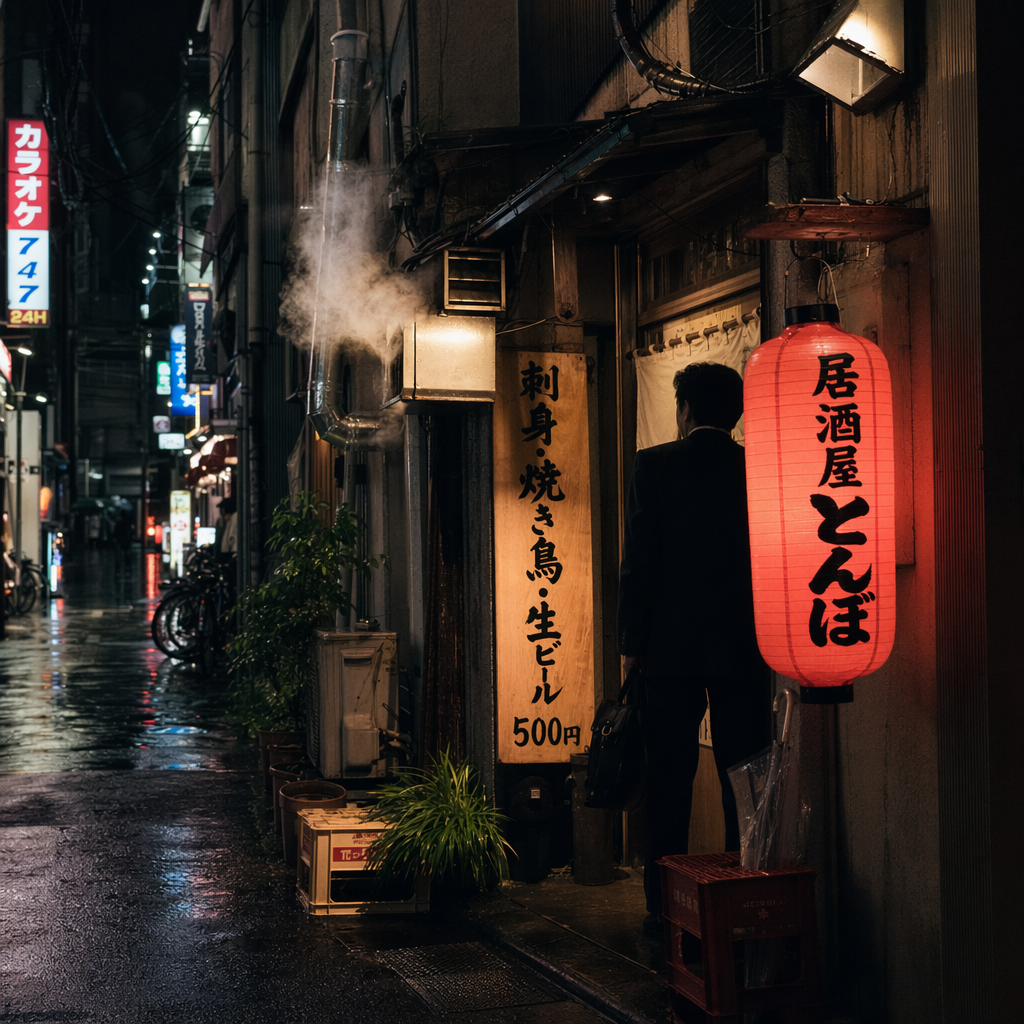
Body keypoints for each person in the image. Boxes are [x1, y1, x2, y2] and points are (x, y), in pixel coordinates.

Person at [617, 360, 771, 934]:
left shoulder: (654, 466)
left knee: (670, 780)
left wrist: (631, 645)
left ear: (683, 409)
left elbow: (640, 565)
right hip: (744, 647)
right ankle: (740, 891)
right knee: (743, 776)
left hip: (670, 650)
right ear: (734, 412)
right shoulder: (755, 467)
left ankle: (665, 905)